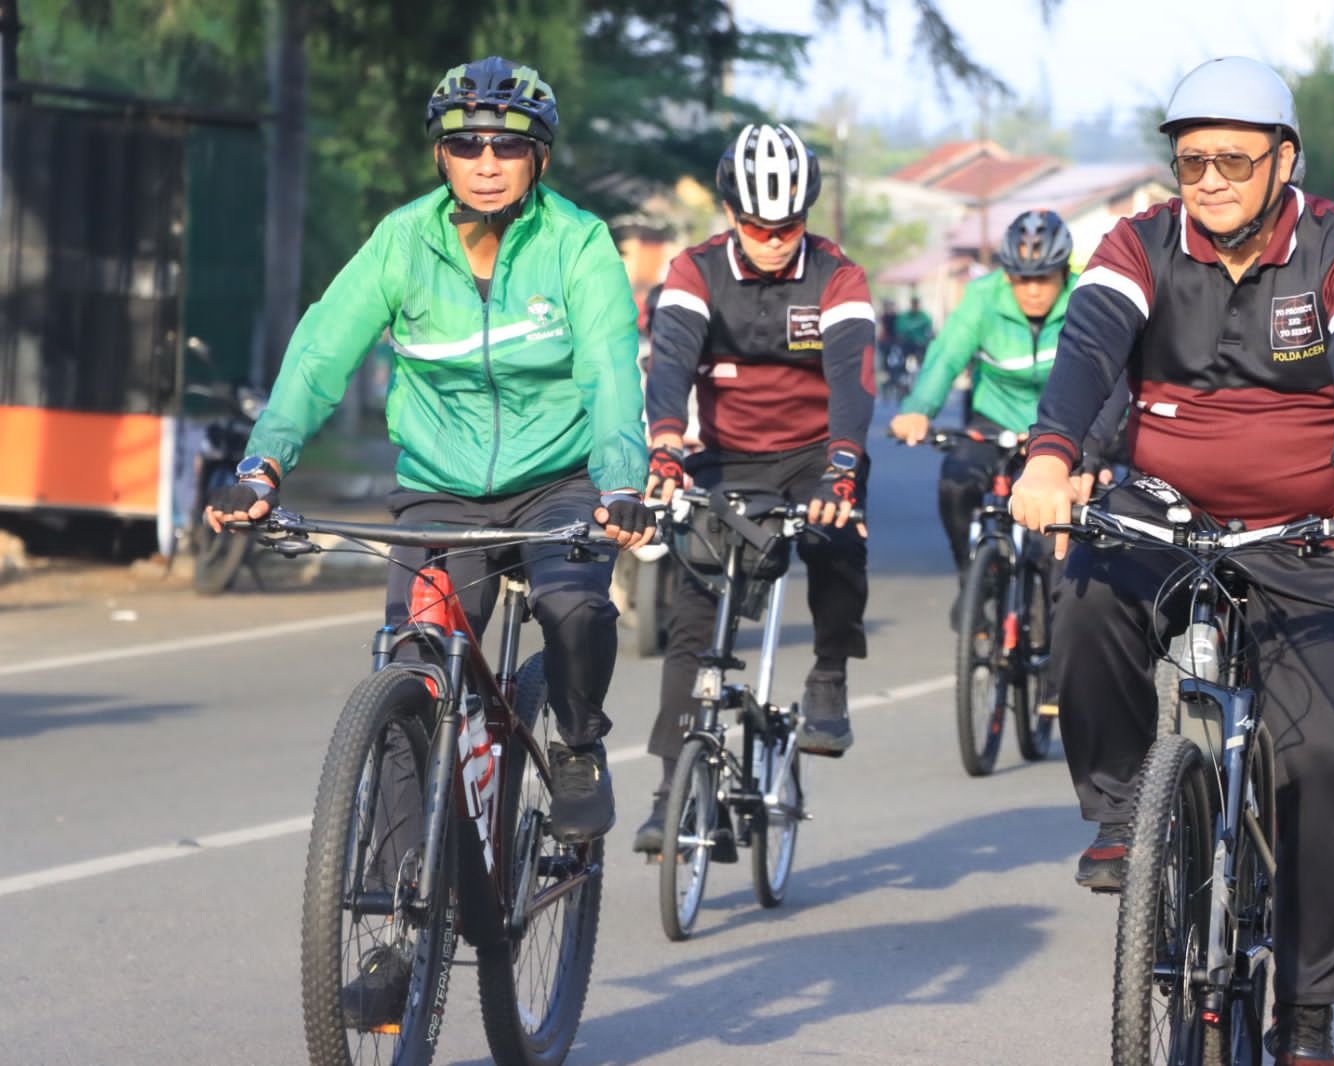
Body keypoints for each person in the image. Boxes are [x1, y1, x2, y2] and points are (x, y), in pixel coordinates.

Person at [1007, 57, 1334, 1065]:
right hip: (1164, 506)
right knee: (1087, 594)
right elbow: (1088, 351)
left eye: (1235, 158)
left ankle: (1306, 1008)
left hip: (1309, 531)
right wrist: (1051, 457)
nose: (1213, 179)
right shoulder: (1138, 244)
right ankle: (1116, 814)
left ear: (1284, 160)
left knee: (1329, 763)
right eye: (1192, 161)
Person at [207, 57, 654, 853]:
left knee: (575, 608)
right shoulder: (402, 241)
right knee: (413, 675)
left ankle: (579, 745)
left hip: (562, 482)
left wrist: (622, 484)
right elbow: (320, 353)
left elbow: (611, 370)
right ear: (441, 155)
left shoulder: (578, 241)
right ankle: (396, 905)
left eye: (507, 147)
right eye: (468, 144)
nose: (487, 163)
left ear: (538, 157)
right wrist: (261, 466)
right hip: (440, 492)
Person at [633, 122, 876, 853]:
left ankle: (830, 672)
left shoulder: (838, 275)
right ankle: (669, 790)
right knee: (693, 614)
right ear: (731, 215)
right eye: (757, 226)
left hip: (813, 451)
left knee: (839, 534)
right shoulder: (692, 270)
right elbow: (671, 359)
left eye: (788, 226)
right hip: (723, 455)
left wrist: (843, 467)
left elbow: (852, 380)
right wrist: (667, 439)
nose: (773, 239)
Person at [890, 209, 1114, 615]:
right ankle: (974, 575)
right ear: (1005, 274)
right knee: (955, 483)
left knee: (1058, 538)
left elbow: (1109, 378)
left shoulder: (1087, 299)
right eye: (1020, 278)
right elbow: (945, 357)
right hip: (993, 423)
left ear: (1064, 273)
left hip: (1063, 432)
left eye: (1043, 278)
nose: (1031, 290)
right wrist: (919, 409)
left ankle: (1055, 624)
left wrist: (1096, 449)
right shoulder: (983, 296)